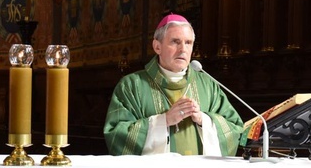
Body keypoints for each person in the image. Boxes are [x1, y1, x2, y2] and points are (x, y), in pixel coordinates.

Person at [104, 14, 245, 156]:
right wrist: (163, 121)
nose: (183, 49)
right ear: (157, 46)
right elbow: (116, 135)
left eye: (188, 43)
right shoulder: (132, 86)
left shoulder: (208, 85)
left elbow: (234, 128)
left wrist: (204, 120)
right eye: (175, 42)